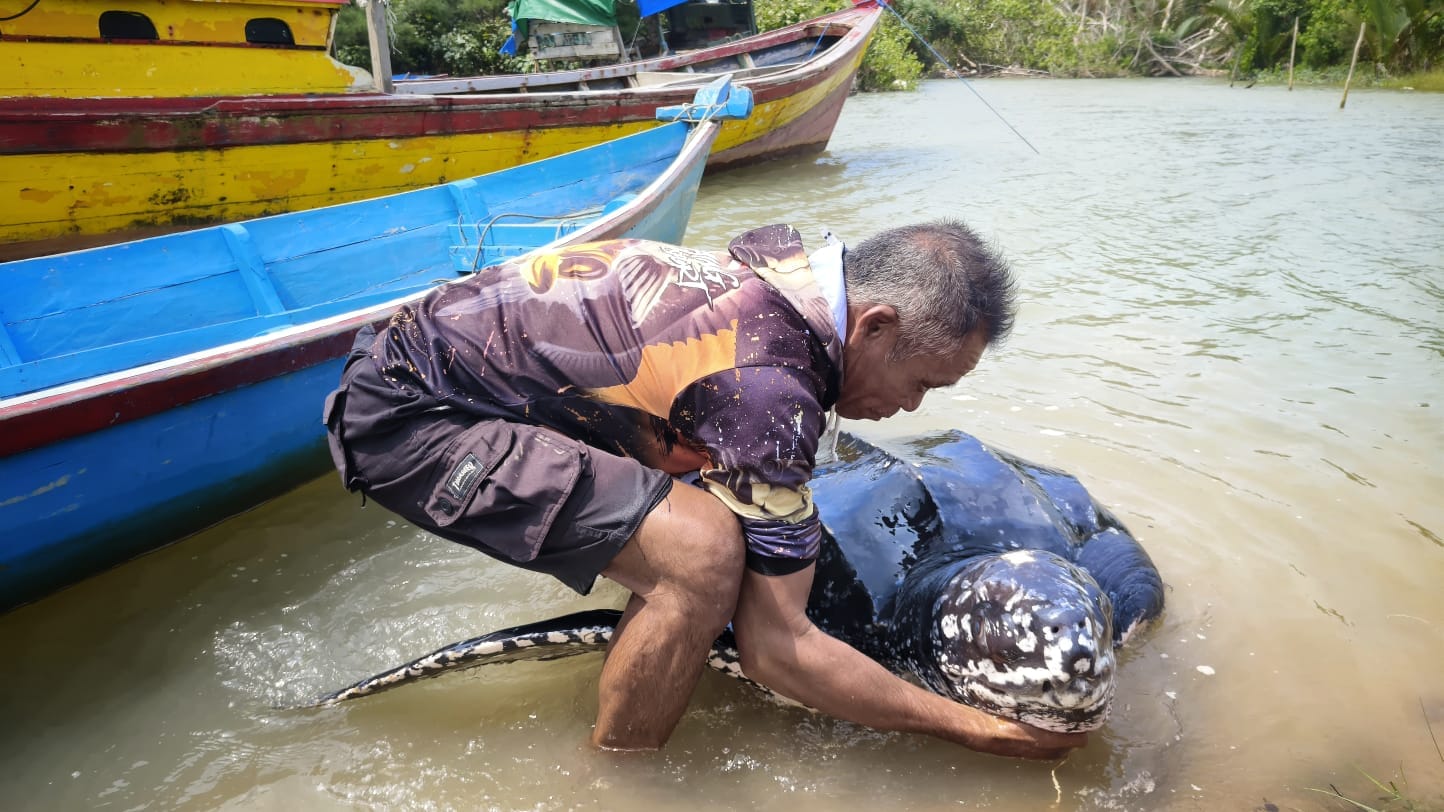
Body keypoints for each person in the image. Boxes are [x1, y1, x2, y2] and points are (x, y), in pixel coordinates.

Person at [322, 221, 1085, 759]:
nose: (912, 409)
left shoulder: (786, 278)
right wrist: (981, 730)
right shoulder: (767, 392)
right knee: (703, 553)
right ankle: (620, 770)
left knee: (703, 496)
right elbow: (778, 650)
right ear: (875, 325)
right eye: (920, 383)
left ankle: (648, 654)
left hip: (442, 360)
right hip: (411, 412)